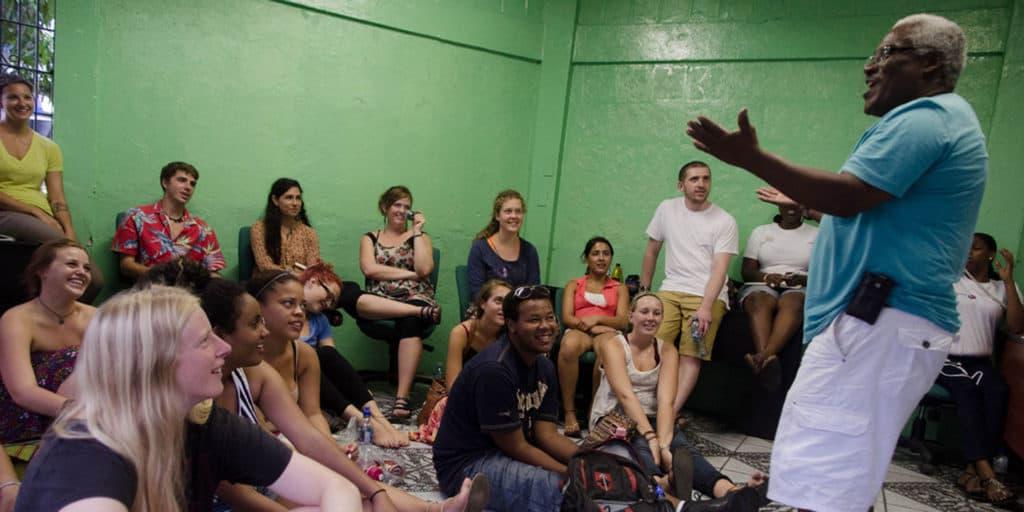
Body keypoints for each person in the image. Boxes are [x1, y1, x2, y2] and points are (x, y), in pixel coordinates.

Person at [686, 14, 987, 510]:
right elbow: (872, 210)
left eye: (887, 53)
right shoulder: (944, 119)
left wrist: (752, 158)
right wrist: (806, 203)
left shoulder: (927, 117)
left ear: (930, 62)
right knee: (839, 478)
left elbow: (851, 197)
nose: (870, 67)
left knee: (825, 486)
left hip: (878, 321)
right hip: (884, 323)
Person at [14, 285, 364, 511]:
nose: (224, 348)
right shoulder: (87, 457)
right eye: (204, 341)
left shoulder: (198, 418)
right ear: (155, 364)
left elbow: (334, 488)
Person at [200, 278, 488, 512]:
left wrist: (372, 489)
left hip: (268, 480)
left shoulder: (255, 371)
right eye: (254, 324)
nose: (262, 331)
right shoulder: (199, 394)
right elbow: (228, 488)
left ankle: (435, 510)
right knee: (340, 497)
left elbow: (307, 434)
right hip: (232, 500)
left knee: (350, 489)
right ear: (219, 335)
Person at [591, 293, 766, 507]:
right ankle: (663, 487)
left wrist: (664, 444)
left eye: (657, 313)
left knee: (682, 447)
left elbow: (666, 401)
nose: (651, 318)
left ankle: (730, 492)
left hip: (655, 417)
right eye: (644, 312)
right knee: (641, 447)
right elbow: (626, 396)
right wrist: (651, 438)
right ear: (631, 316)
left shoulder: (667, 349)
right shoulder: (614, 345)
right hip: (616, 417)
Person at [433, 285, 579, 511]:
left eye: (550, 317)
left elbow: (546, 435)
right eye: (534, 320)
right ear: (512, 326)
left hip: (505, 452)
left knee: (599, 465)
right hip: (467, 463)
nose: (546, 327)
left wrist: (586, 460)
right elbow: (518, 447)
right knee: (560, 489)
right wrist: (569, 473)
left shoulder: (545, 366)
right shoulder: (495, 370)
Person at [640, 161, 738, 417]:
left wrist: (706, 307)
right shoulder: (666, 208)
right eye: (694, 179)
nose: (701, 184)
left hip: (706, 295)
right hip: (670, 290)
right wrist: (645, 291)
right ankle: (648, 407)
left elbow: (720, 269)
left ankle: (669, 414)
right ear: (681, 185)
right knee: (654, 346)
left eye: (706, 179)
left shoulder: (724, 220)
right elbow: (652, 250)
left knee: (690, 354)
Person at [0, 75, 102, 301]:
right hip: (8, 213)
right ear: (2, 102)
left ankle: (58, 323)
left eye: (27, 97)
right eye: (13, 97)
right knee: (81, 269)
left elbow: (56, 195)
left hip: (41, 218)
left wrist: (69, 231)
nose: (22, 102)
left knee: (93, 278)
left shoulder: (49, 147)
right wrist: (34, 211)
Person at [940, 234, 1021, 505]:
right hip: (946, 358)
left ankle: (969, 471)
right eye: (966, 248)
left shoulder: (1002, 288)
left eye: (975, 249)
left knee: (998, 390)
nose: (969, 253)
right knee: (966, 391)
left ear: (990, 255)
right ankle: (987, 474)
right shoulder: (952, 279)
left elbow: (1017, 327)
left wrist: (1008, 281)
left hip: (979, 362)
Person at [296, 263, 409, 447]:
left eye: (333, 302)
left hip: (315, 381)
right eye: (328, 296)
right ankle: (364, 421)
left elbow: (332, 358)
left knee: (326, 354)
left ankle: (381, 420)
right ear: (313, 281)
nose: (329, 304)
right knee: (310, 362)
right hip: (292, 374)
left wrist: (355, 387)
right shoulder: (286, 312)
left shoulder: (320, 320)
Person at [0, 239, 95, 443]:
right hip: (31, 416)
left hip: (90, 412)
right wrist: (83, 414)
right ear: (42, 271)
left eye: (87, 268)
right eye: (71, 264)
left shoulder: (98, 317)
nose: (82, 272)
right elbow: (23, 391)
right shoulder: (17, 319)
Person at [360, 185, 438, 420]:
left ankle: (401, 398)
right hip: (380, 299)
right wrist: (409, 274)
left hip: (415, 297)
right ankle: (422, 312)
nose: (402, 210)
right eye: (397, 205)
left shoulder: (420, 237)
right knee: (412, 313)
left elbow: (424, 269)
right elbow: (369, 269)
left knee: (410, 317)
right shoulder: (370, 238)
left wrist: (417, 232)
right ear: (385, 207)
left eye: (406, 206)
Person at [739, 205, 818, 390]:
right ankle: (767, 361)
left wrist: (803, 279)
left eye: (796, 204)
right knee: (758, 300)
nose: (791, 209)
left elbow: (823, 273)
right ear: (779, 206)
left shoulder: (816, 234)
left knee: (793, 302)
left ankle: (761, 358)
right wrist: (766, 277)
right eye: (786, 204)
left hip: (799, 286)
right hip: (763, 283)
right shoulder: (761, 232)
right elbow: (747, 272)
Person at [557, 236, 628, 437]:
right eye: (595, 253)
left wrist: (597, 320)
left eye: (606, 254)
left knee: (607, 354)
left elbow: (622, 321)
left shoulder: (619, 288)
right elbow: (568, 318)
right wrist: (591, 328)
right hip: (580, 330)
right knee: (568, 346)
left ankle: (593, 411)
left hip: (606, 332)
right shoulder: (574, 284)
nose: (601, 258)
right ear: (586, 258)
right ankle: (569, 412)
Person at [113, 161, 225, 281]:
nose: (188, 187)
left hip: (192, 294)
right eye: (182, 180)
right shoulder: (137, 216)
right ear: (165, 182)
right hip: (149, 290)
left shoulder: (203, 229)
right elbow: (126, 265)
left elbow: (214, 273)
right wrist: (161, 277)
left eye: (192, 184)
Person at [466, 189, 540, 299]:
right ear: (497, 215)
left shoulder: (530, 251)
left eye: (518, 211)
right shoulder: (480, 248)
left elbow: (534, 292)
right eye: (508, 211)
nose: (514, 216)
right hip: (486, 311)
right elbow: (476, 293)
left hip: (519, 313)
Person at [445, 278, 511, 392]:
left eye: (508, 303)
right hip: (462, 397)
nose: (504, 307)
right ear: (483, 304)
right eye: (498, 301)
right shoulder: (461, 333)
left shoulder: (510, 337)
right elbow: (452, 386)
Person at [250, 177, 321, 273]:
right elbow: (265, 266)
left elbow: (312, 268)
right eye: (289, 197)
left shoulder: (309, 233)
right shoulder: (259, 228)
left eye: (298, 198)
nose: (295, 203)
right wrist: (291, 274)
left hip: (302, 282)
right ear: (275, 200)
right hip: (270, 281)